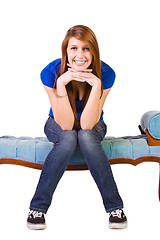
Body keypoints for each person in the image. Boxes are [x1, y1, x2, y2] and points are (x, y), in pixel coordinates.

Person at [27, 25, 127, 230]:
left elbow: (88, 125)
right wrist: (62, 84)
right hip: (57, 123)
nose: (79, 55)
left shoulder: (106, 73)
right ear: (65, 51)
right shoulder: (50, 72)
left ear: (94, 51)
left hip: (93, 124)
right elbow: (64, 125)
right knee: (69, 137)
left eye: (86, 48)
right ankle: (37, 209)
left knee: (86, 135)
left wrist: (97, 85)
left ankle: (115, 209)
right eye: (73, 48)